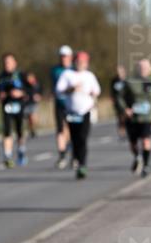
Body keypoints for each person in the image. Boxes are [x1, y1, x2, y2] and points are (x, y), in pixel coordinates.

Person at [54, 50, 101, 179]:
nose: (80, 64)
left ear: (86, 63)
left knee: (83, 138)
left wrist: (93, 94)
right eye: (78, 61)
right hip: (71, 112)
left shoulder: (89, 76)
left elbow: (97, 90)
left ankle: (82, 165)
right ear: (74, 61)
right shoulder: (67, 74)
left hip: (85, 111)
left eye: (83, 62)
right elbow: (58, 90)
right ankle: (76, 159)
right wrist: (71, 89)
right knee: (74, 139)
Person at [116, 58, 151, 177]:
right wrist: (125, 109)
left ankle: (146, 165)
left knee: (146, 141)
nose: (143, 70)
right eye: (141, 67)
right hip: (132, 118)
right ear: (137, 69)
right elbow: (119, 97)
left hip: (147, 118)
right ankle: (137, 156)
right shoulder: (129, 83)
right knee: (133, 144)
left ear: (149, 70)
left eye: (145, 68)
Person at [0, 53, 28, 167]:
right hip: (7, 106)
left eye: (9, 62)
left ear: (15, 63)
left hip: (19, 105)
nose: (7, 65)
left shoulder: (21, 75)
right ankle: (7, 156)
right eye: (5, 62)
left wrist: (21, 93)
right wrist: (1, 94)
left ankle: (21, 151)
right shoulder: (1, 76)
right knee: (7, 130)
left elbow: (31, 90)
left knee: (19, 131)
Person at [50, 45, 74, 167]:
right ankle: (62, 155)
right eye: (62, 56)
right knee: (60, 129)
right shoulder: (55, 70)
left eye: (65, 56)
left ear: (70, 57)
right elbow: (56, 88)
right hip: (59, 103)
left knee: (70, 129)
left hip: (72, 105)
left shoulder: (75, 70)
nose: (63, 58)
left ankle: (72, 152)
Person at [110, 64, 128, 139]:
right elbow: (112, 91)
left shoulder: (127, 80)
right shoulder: (114, 80)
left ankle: (128, 131)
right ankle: (121, 132)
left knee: (127, 117)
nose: (119, 72)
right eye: (118, 71)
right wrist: (112, 99)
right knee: (120, 118)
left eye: (120, 70)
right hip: (117, 102)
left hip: (126, 101)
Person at [23, 71, 43, 138]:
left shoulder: (37, 85)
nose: (29, 79)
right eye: (28, 78)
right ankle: (31, 129)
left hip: (34, 104)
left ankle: (33, 129)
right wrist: (24, 96)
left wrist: (39, 96)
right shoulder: (24, 85)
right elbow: (23, 93)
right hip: (26, 104)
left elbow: (40, 93)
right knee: (29, 119)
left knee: (33, 118)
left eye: (31, 78)